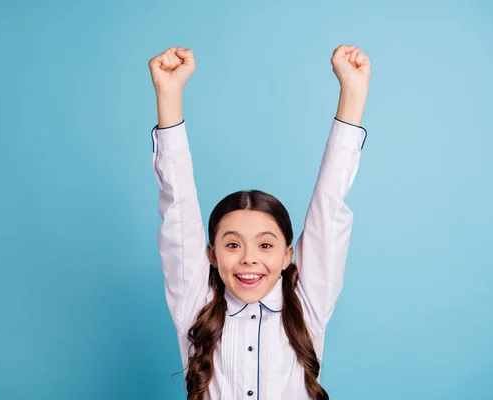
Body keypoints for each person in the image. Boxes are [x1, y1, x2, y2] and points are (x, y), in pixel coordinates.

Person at [148, 44, 370, 400]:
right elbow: (178, 208)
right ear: (211, 254)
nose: (249, 258)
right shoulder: (196, 305)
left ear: (287, 256)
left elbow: (329, 207)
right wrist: (169, 94)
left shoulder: (306, 304)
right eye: (233, 244)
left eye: (265, 245)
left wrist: (353, 92)